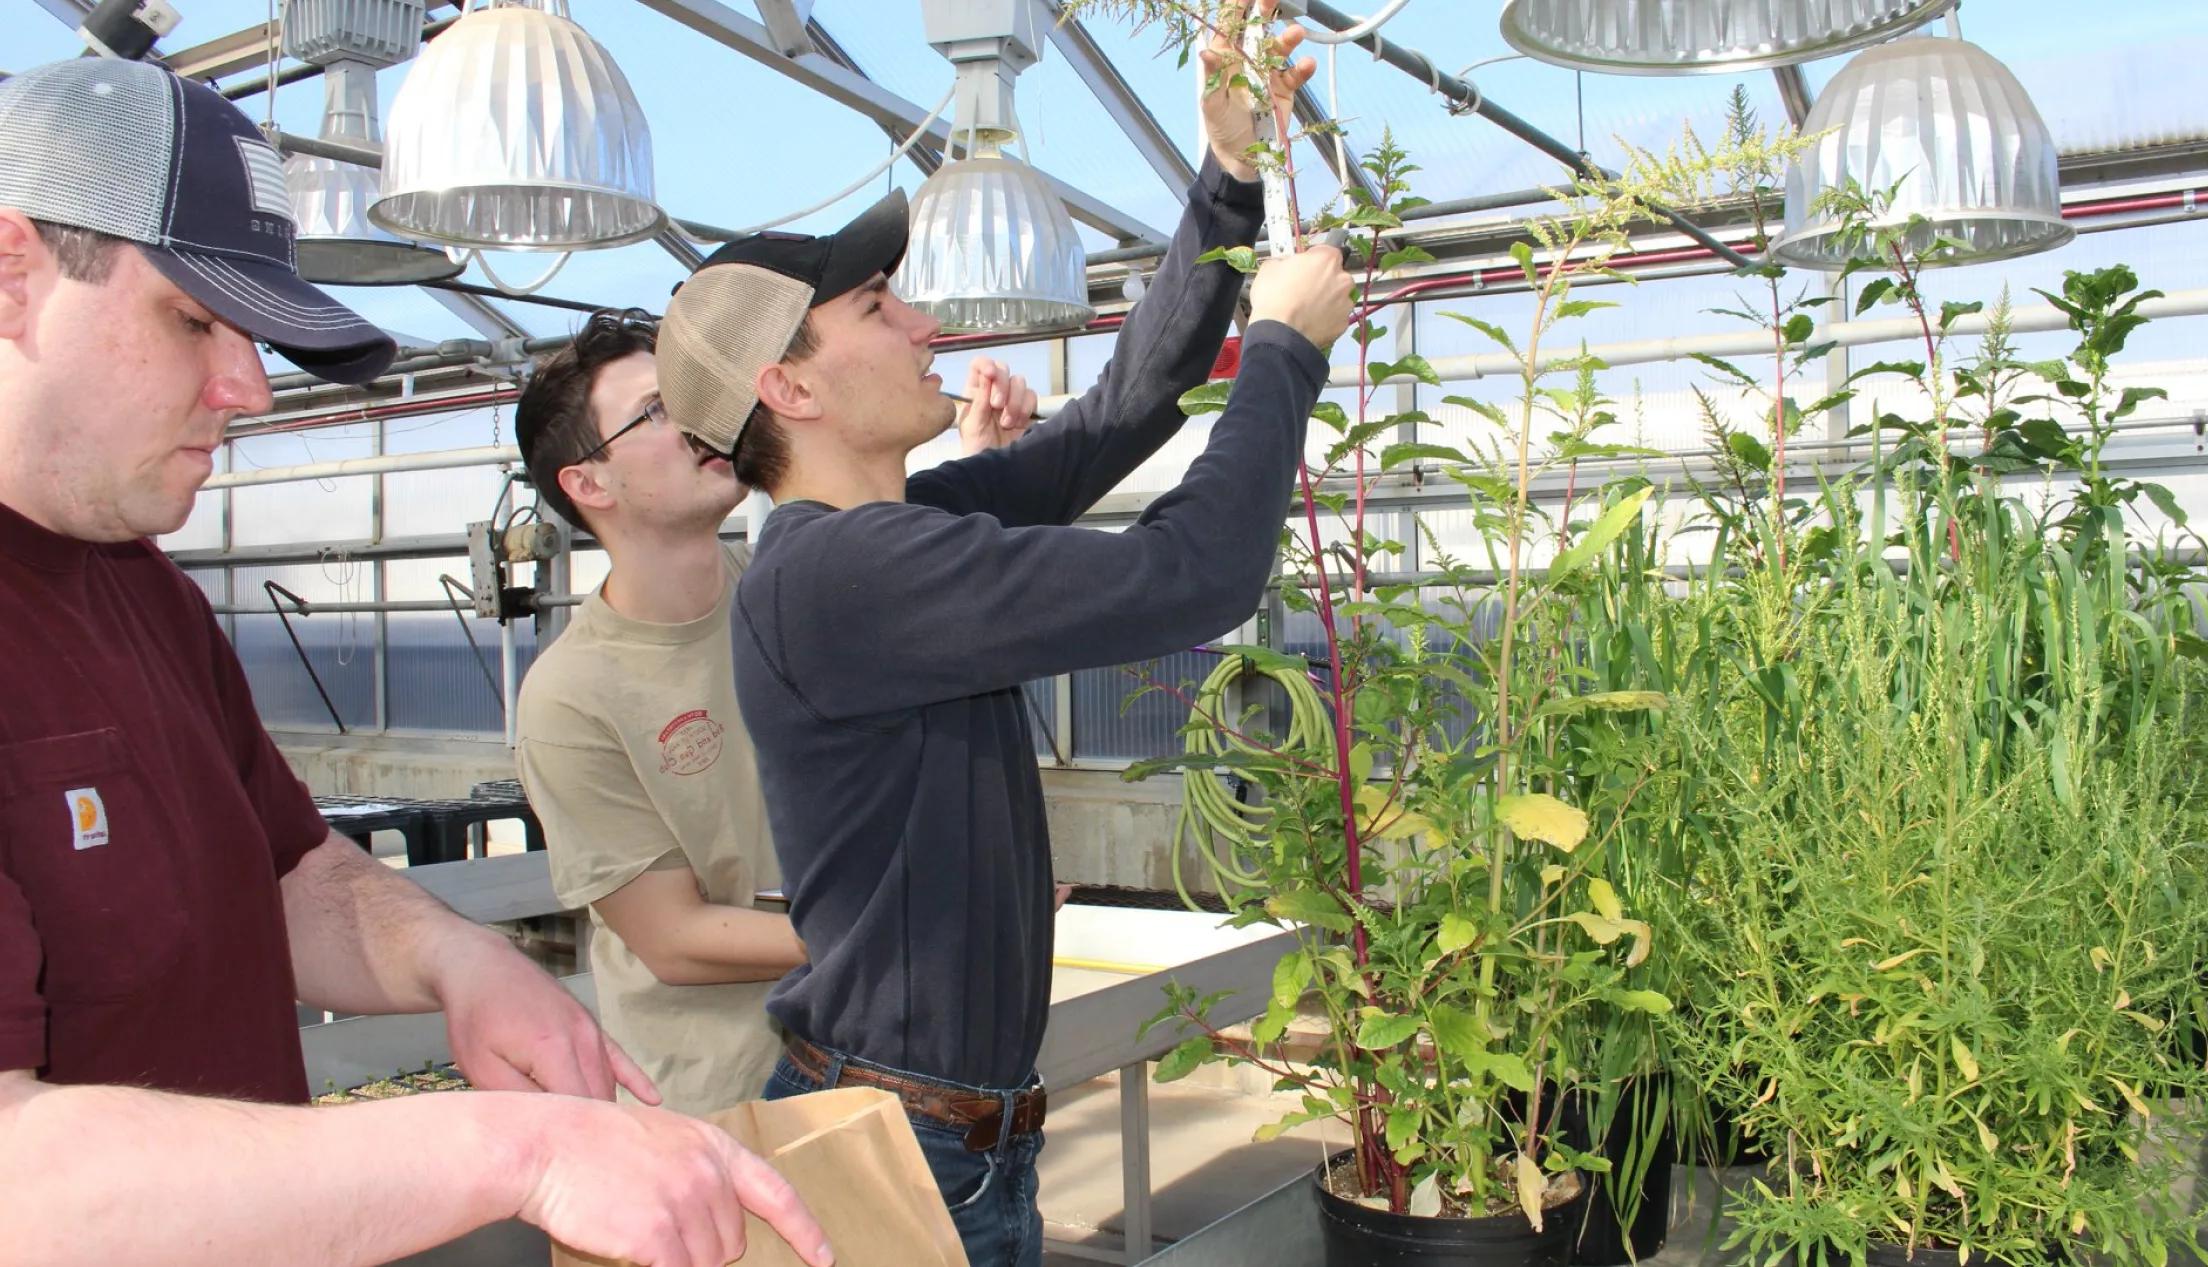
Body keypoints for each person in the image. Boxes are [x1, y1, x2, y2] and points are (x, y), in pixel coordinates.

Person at [0, 57, 828, 1267]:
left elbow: (288, 870)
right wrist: (523, 1150)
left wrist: (460, 957)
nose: (246, 388)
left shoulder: (143, 588)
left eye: (256, 335)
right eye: (193, 319)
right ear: (10, 274)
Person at [652, 3, 1350, 1261]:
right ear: (788, 387)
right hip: (903, 1148)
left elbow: (1117, 417)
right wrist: (1284, 353)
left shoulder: (888, 531)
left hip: (953, 1134)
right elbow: (1193, 575)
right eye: (878, 308)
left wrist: (1230, 176)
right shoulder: (840, 576)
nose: (926, 325)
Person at [512, 308, 1036, 1114]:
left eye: (690, 395)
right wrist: (919, 921)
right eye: (655, 411)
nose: (695, 421)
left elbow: (922, 589)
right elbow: (674, 938)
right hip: (728, 1108)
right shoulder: (571, 696)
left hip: (882, 1064)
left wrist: (983, 466)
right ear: (587, 484)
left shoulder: (788, 590)